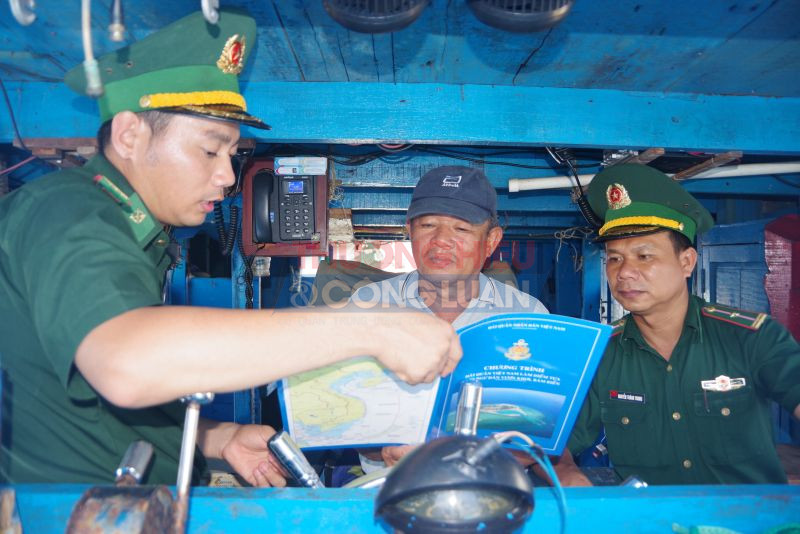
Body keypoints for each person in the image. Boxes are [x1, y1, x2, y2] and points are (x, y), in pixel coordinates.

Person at [0, 9, 461, 486]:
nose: (226, 177)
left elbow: (92, 400)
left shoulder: (138, 234)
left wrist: (216, 438)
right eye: (209, 150)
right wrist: (369, 330)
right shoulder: (68, 211)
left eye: (232, 155)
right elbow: (125, 364)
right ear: (130, 134)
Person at [560, 163, 800, 486]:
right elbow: (556, 440)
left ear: (686, 262)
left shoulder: (752, 337)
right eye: (615, 258)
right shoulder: (600, 354)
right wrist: (567, 472)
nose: (624, 272)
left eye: (644, 256)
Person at [349, 165, 549, 470]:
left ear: (492, 241)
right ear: (410, 230)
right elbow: (343, 414)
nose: (441, 240)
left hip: (493, 484)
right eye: (428, 225)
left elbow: (538, 428)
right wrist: (383, 447)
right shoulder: (366, 306)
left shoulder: (527, 316)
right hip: (389, 483)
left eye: (462, 228)